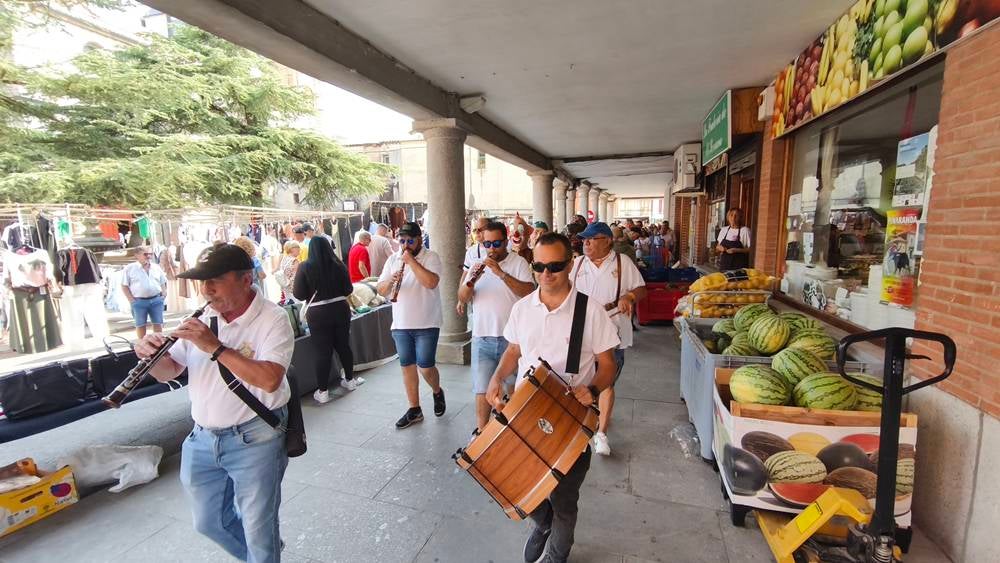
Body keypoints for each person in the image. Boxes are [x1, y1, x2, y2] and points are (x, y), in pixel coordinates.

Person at [135, 244, 294, 563]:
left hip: (255, 437)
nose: (206, 289)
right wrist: (151, 356)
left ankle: (264, 553)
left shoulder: (273, 318)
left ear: (246, 279)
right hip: (202, 438)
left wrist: (214, 347)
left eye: (216, 280)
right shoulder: (202, 316)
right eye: (202, 281)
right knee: (209, 522)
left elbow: (269, 380)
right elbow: (170, 371)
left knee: (259, 529)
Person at [486, 232, 619, 563]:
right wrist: (497, 377)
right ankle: (542, 522)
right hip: (525, 413)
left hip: (570, 418)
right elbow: (514, 350)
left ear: (570, 265)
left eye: (555, 266)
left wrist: (593, 389)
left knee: (563, 498)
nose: (546, 274)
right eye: (539, 266)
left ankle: (556, 556)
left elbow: (608, 364)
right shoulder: (522, 308)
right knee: (510, 480)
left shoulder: (590, 311)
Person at [571, 222, 647, 456]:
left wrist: (629, 296)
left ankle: (601, 433)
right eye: (584, 239)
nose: (586, 243)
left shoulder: (623, 263)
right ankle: (579, 420)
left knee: (606, 381)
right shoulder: (578, 263)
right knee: (575, 377)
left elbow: (641, 289)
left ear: (607, 241)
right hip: (579, 329)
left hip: (613, 327)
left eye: (591, 239)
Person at [456, 221, 534, 431]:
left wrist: (500, 273)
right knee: (482, 389)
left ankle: (516, 431)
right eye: (487, 244)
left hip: (512, 340)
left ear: (506, 241)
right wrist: (472, 281)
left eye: (497, 243)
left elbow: (529, 291)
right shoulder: (476, 264)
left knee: (514, 387)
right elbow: (462, 297)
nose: (491, 248)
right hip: (482, 337)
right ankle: (481, 433)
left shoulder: (518, 263)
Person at [376, 222, 446, 429]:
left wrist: (411, 262)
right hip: (400, 323)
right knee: (407, 366)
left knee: (425, 366)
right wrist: (391, 281)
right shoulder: (392, 259)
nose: (405, 245)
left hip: (427, 322)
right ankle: (414, 409)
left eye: (410, 241)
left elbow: (431, 282)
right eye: (402, 241)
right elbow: (381, 289)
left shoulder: (431, 257)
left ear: (419, 240)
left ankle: (437, 391)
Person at [294, 236, 362, 401]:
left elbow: (299, 294)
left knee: (322, 352)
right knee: (344, 346)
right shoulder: (339, 265)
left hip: (318, 314)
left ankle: (323, 392)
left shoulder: (305, 267)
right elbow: (348, 289)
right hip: (340, 309)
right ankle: (350, 381)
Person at [122, 245, 168, 339]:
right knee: (140, 325)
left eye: (150, 254)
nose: (148, 256)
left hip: (156, 300)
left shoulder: (156, 267)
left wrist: (164, 294)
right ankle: (142, 343)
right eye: (145, 254)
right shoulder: (129, 268)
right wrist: (132, 300)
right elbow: (124, 285)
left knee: (158, 323)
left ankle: (159, 344)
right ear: (137, 255)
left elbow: (162, 281)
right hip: (139, 301)